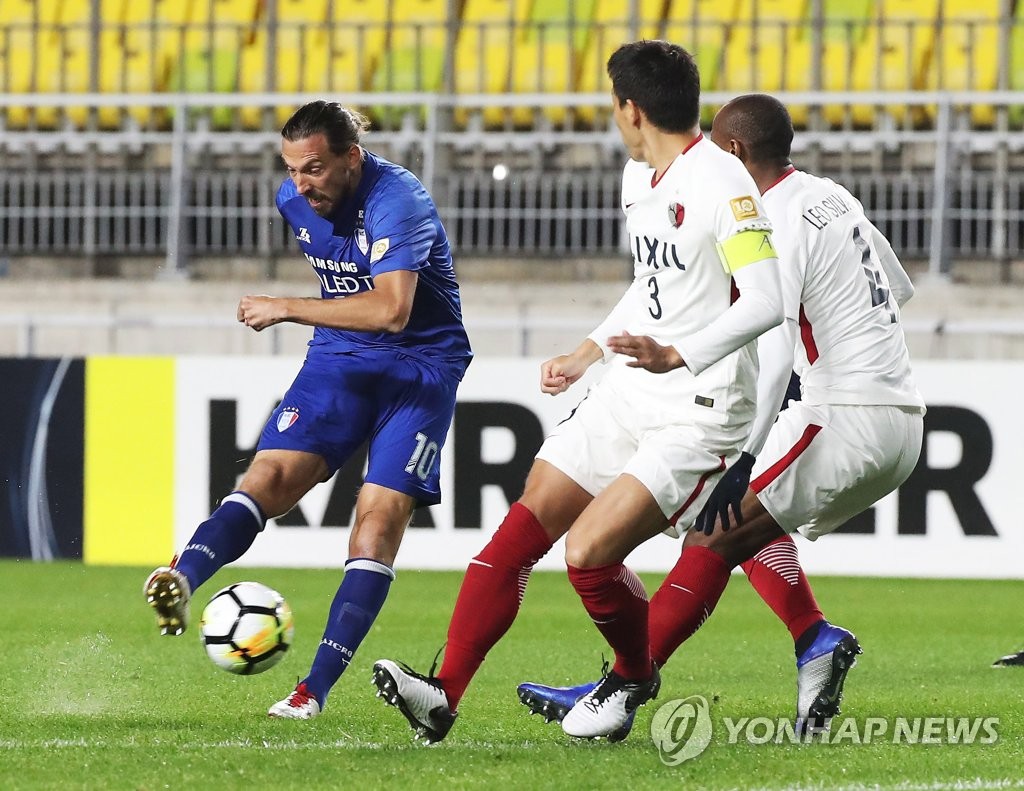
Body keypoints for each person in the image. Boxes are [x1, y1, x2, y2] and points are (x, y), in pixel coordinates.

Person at [371, 41, 784, 743]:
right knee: (525, 520)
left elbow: (767, 299)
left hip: (699, 407)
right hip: (629, 388)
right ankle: (443, 694)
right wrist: (590, 351)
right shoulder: (639, 178)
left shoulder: (722, 181)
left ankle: (633, 673)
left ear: (630, 108)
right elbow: (650, 287)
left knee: (588, 553)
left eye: (613, 104)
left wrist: (675, 352)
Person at [519, 93, 926, 738]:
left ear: (734, 152)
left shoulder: (776, 217)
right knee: (741, 528)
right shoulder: (831, 196)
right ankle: (814, 639)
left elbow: (777, 345)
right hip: (896, 411)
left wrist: (742, 454)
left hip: (845, 414)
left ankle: (619, 690)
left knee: (714, 525)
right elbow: (898, 287)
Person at [143, 101, 472, 720]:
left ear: (352, 156)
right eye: (292, 168)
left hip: (419, 367)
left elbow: (392, 310)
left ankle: (310, 691)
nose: (301, 183)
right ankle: (182, 580)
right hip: (340, 360)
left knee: (376, 521)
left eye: (315, 168)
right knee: (265, 480)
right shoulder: (293, 199)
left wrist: (287, 306)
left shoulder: (398, 200)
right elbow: (347, 292)